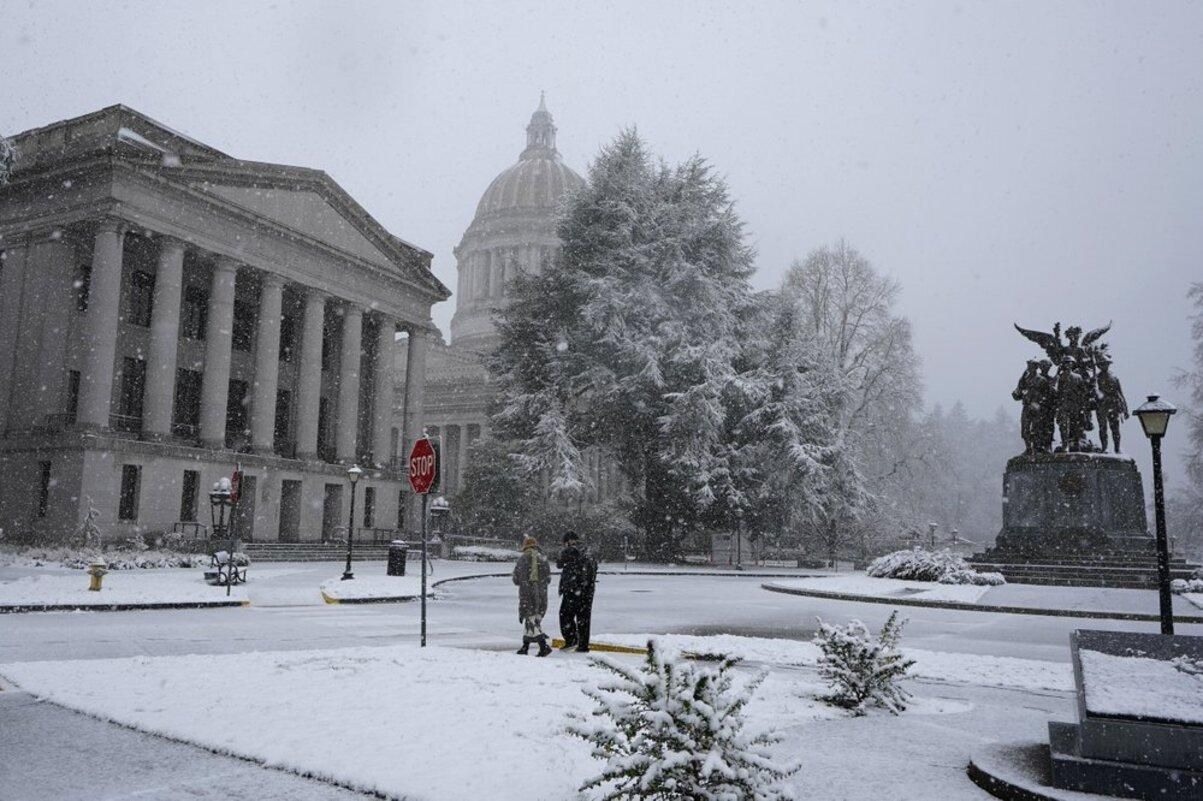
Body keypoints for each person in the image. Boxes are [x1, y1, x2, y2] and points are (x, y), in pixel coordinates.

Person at [556, 530, 598, 652]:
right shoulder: (587, 551)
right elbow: (594, 568)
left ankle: (571, 639)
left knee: (565, 615)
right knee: (583, 618)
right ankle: (583, 645)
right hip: (587, 589)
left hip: (573, 589)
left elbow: (559, 563)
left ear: (568, 541)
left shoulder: (572, 550)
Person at [512, 535, 552, 656]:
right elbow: (548, 579)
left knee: (531, 619)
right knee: (532, 620)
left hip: (528, 594)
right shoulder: (543, 559)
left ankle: (544, 647)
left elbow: (516, 579)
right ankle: (525, 647)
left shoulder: (523, 559)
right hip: (541, 594)